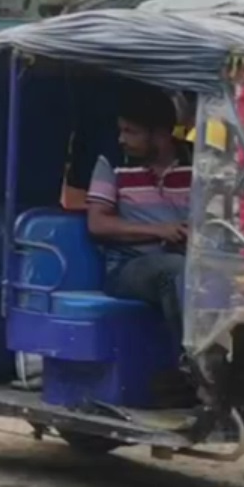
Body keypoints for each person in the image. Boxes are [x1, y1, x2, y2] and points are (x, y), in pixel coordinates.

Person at [87, 89, 190, 338]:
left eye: (131, 132)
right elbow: (97, 223)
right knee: (176, 270)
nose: (122, 139)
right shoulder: (112, 161)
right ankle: (193, 362)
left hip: (197, 259)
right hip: (128, 267)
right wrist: (159, 231)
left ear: (161, 134)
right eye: (121, 130)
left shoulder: (199, 160)